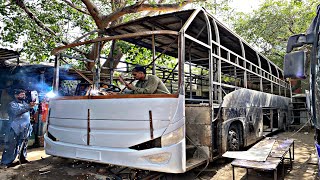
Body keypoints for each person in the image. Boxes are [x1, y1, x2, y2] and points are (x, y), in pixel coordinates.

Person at [0, 89, 36, 168]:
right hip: (15, 127)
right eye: (21, 94)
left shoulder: (25, 103)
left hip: (25, 127)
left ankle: (22, 158)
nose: (23, 96)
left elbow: (31, 112)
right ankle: (5, 162)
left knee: (24, 144)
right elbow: (17, 112)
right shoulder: (12, 104)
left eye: (24, 94)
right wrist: (29, 106)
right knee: (11, 145)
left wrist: (33, 107)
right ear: (16, 95)